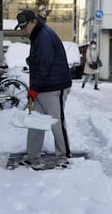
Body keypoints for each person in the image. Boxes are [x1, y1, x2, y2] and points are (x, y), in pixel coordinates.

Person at [14, 9, 72, 170]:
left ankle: (63, 155)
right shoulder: (37, 35)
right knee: (35, 123)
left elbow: (43, 66)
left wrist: (34, 88)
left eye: (25, 27)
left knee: (56, 122)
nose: (23, 31)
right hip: (43, 87)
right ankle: (32, 157)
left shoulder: (44, 37)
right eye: (21, 27)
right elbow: (40, 62)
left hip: (55, 86)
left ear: (34, 22)